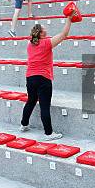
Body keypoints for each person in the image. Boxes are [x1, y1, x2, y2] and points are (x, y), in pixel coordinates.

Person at [20, 11, 76, 141]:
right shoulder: (46, 43)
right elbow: (64, 34)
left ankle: (23, 124)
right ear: (41, 33)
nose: (47, 30)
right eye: (44, 29)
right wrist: (69, 19)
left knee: (31, 101)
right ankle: (49, 133)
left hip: (30, 77)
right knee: (44, 106)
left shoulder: (30, 44)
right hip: (43, 79)